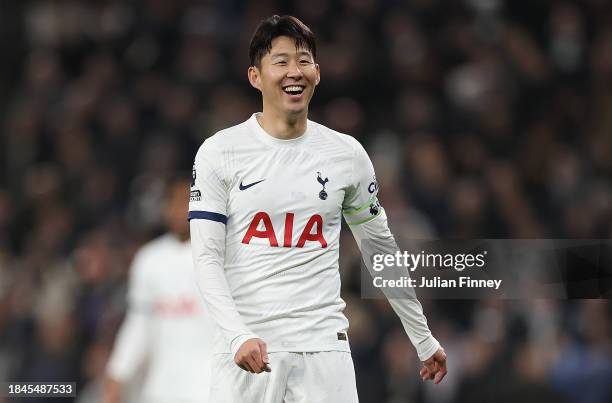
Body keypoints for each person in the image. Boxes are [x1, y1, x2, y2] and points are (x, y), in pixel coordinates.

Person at [189, 15, 447, 402]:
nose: (295, 71)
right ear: (255, 76)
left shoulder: (347, 155)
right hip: (248, 352)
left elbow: (380, 253)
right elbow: (206, 257)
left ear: (318, 73)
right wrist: (237, 334)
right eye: (281, 61)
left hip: (326, 354)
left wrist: (421, 337)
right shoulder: (220, 153)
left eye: (304, 60)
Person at [104, 178, 214, 403]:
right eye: (173, 202)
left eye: (187, 201)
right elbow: (138, 323)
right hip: (159, 389)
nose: (179, 209)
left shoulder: (220, 253)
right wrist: (118, 372)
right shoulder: (149, 259)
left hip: (209, 387)